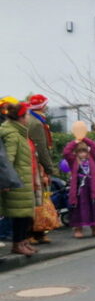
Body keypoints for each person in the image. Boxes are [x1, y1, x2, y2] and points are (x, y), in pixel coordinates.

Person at [0, 101, 36, 255]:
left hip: (23, 180)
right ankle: (17, 244)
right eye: (27, 114)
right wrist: (8, 180)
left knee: (25, 214)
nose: (28, 117)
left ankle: (22, 241)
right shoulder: (13, 134)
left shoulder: (19, 132)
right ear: (20, 117)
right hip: (17, 182)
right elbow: (7, 159)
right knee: (20, 215)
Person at [63, 138, 95, 238]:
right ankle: (78, 230)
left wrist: (83, 138)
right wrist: (75, 141)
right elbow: (66, 152)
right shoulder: (73, 161)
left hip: (92, 189)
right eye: (80, 152)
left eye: (84, 151)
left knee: (94, 207)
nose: (83, 154)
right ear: (76, 153)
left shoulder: (92, 158)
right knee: (79, 209)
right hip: (79, 191)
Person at [26, 94, 56, 245]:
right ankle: (34, 232)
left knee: (39, 199)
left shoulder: (32, 119)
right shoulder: (37, 123)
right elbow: (41, 148)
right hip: (37, 166)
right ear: (43, 106)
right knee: (38, 199)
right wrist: (49, 167)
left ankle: (38, 232)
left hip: (34, 164)